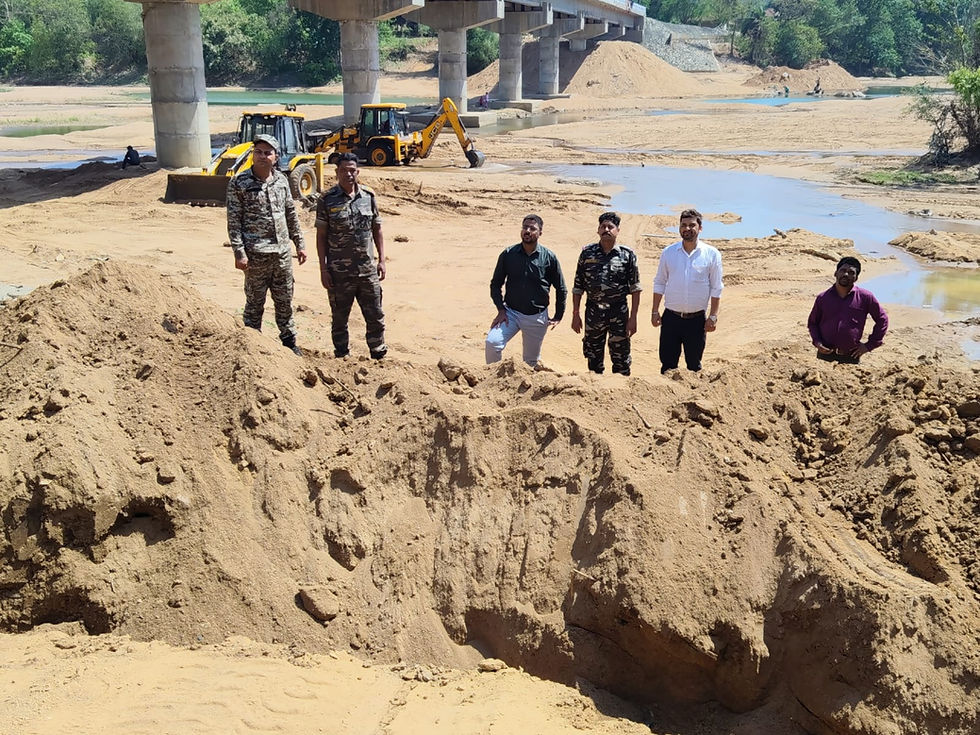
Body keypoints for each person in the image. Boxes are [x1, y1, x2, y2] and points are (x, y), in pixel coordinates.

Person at [227, 134, 307, 356]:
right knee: (254, 302)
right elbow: (234, 221)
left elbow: (291, 214)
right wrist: (239, 253)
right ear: (253, 155)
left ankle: (289, 343)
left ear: (275, 157)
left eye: (267, 152)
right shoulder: (239, 183)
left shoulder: (281, 181)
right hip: (255, 257)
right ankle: (252, 345)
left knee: (285, 301)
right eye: (258, 152)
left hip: (281, 255)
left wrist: (299, 243)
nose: (262, 156)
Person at [316, 152, 387, 359]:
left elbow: (377, 230)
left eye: (352, 170)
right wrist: (323, 268)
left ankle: (378, 353)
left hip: (367, 270)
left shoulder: (369, 196)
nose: (348, 174)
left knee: (375, 315)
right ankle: (342, 357)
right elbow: (321, 236)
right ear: (337, 173)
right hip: (339, 273)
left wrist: (381, 260)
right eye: (344, 171)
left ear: (358, 172)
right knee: (339, 318)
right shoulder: (327, 200)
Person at [486, 214, 567, 366]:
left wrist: (558, 315)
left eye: (532, 228)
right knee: (492, 343)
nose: (527, 231)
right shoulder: (509, 254)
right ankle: (493, 384)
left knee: (530, 361)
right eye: (525, 227)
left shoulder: (549, 257)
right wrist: (501, 309)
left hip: (536, 317)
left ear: (540, 232)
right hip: (510, 313)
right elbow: (495, 284)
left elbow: (561, 288)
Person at [650, 209, 723, 374]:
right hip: (670, 319)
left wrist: (713, 316)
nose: (687, 229)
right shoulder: (668, 253)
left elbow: (717, 287)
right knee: (668, 366)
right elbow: (660, 282)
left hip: (696, 321)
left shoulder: (712, 254)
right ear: (679, 227)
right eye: (683, 225)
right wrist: (655, 311)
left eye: (692, 225)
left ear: (700, 228)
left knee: (694, 366)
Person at [571, 212, 641, 375]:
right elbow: (578, 287)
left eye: (611, 227)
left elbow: (636, 288)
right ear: (598, 230)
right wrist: (576, 314)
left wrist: (633, 318)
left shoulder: (627, 255)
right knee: (593, 358)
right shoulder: (587, 253)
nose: (606, 229)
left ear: (618, 230)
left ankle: (620, 393)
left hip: (619, 312)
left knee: (621, 358)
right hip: (593, 312)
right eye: (603, 226)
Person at [807, 256, 888, 364]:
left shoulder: (865, 297)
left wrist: (869, 345)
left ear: (856, 278)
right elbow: (813, 323)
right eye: (843, 270)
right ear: (836, 273)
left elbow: (882, 319)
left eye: (851, 272)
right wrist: (817, 342)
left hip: (851, 357)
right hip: (824, 355)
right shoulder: (823, 298)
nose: (846, 274)